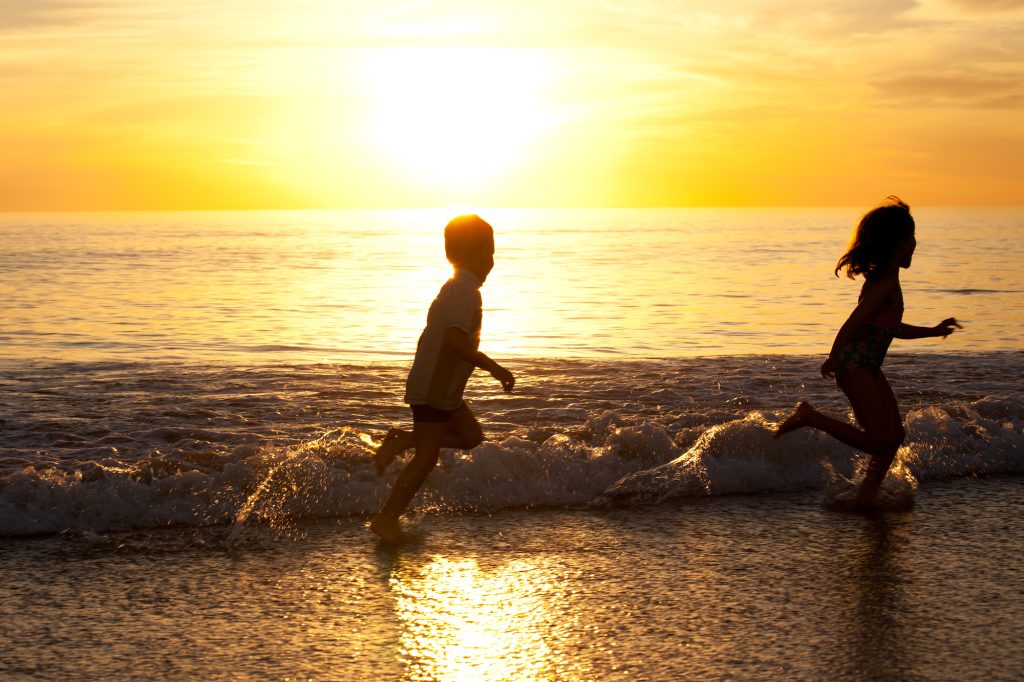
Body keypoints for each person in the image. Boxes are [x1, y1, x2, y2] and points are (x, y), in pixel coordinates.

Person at [775, 197, 961, 506]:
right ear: (898, 244)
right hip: (855, 366)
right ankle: (809, 416)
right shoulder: (883, 285)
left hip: (869, 366)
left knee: (894, 436)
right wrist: (834, 356)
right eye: (912, 238)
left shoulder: (888, 281)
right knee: (878, 440)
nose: (916, 244)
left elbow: (892, 328)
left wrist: (934, 331)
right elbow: (854, 321)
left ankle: (866, 495)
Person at [370, 214, 515, 541]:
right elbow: (453, 340)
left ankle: (403, 440)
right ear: (478, 254)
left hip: (443, 389)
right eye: (490, 253)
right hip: (434, 388)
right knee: (426, 458)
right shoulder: (464, 291)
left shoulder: (458, 287)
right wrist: (494, 368)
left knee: (471, 437)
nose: (492, 262)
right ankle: (386, 520)